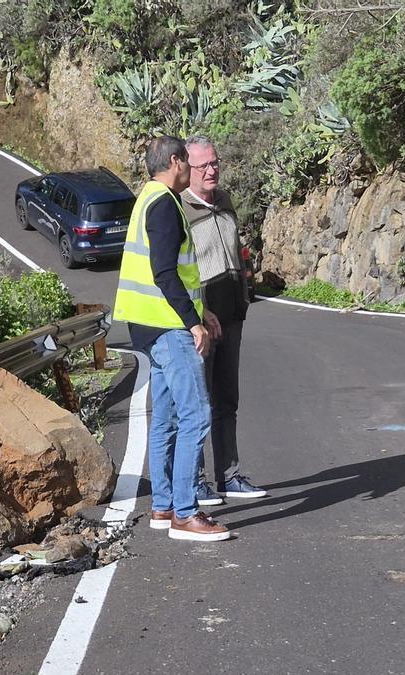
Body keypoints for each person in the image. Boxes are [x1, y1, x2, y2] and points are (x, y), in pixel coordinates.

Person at [113, 135, 231, 542]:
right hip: (168, 328)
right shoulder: (165, 204)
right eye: (188, 163)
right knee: (196, 413)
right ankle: (185, 512)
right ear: (177, 161)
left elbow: (172, 274)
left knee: (164, 418)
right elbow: (164, 272)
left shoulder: (147, 198)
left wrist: (202, 312)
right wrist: (192, 323)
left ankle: (163, 505)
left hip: (148, 327)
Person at [181, 135, 267, 504]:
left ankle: (229, 476)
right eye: (204, 166)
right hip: (202, 321)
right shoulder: (180, 209)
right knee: (198, 404)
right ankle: (196, 481)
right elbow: (178, 271)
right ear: (188, 169)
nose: (212, 170)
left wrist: (244, 298)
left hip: (232, 316)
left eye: (215, 163)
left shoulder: (226, 201)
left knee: (226, 399)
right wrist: (200, 313)